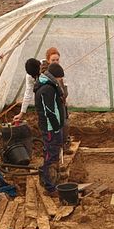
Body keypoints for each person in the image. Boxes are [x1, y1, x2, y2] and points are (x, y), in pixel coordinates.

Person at [34, 62, 67, 195]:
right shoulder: (47, 89)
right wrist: (56, 128)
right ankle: (49, 186)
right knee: (50, 156)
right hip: (50, 129)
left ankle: (53, 180)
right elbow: (50, 111)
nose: (61, 81)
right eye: (60, 78)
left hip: (52, 127)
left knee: (53, 154)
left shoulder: (50, 86)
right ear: (55, 76)